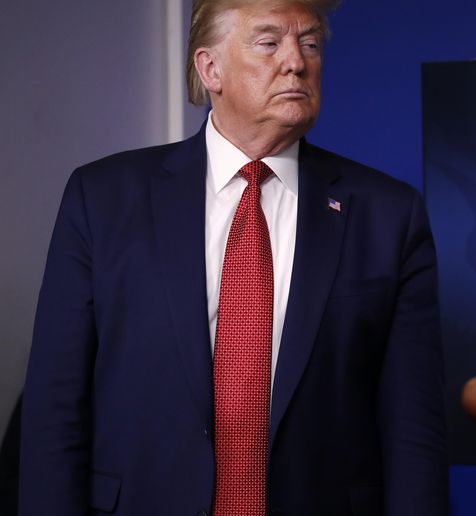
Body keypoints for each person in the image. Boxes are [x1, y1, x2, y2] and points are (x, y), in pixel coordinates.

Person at [19, 0, 448, 514]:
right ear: (210, 68)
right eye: (269, 42)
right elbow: (54, 410)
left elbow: (413, 430)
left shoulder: (388, 216)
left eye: (309, 43)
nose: (296, 61)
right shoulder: (103, 199)